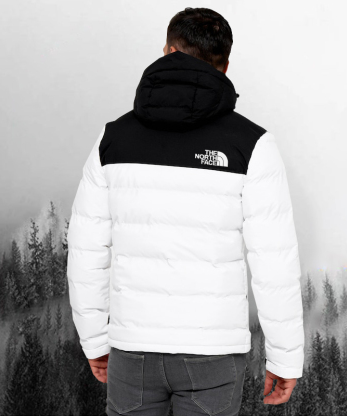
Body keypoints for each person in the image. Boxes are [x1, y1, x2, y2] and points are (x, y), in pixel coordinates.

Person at [66, 7, 305, 416]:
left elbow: (86, 251)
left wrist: (94, 340)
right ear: (225, 66)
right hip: (213, 353)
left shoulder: (113, 139)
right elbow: (274, 263)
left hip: (132, 351)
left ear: (167, 51)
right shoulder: (252, 145)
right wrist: (284, 358)